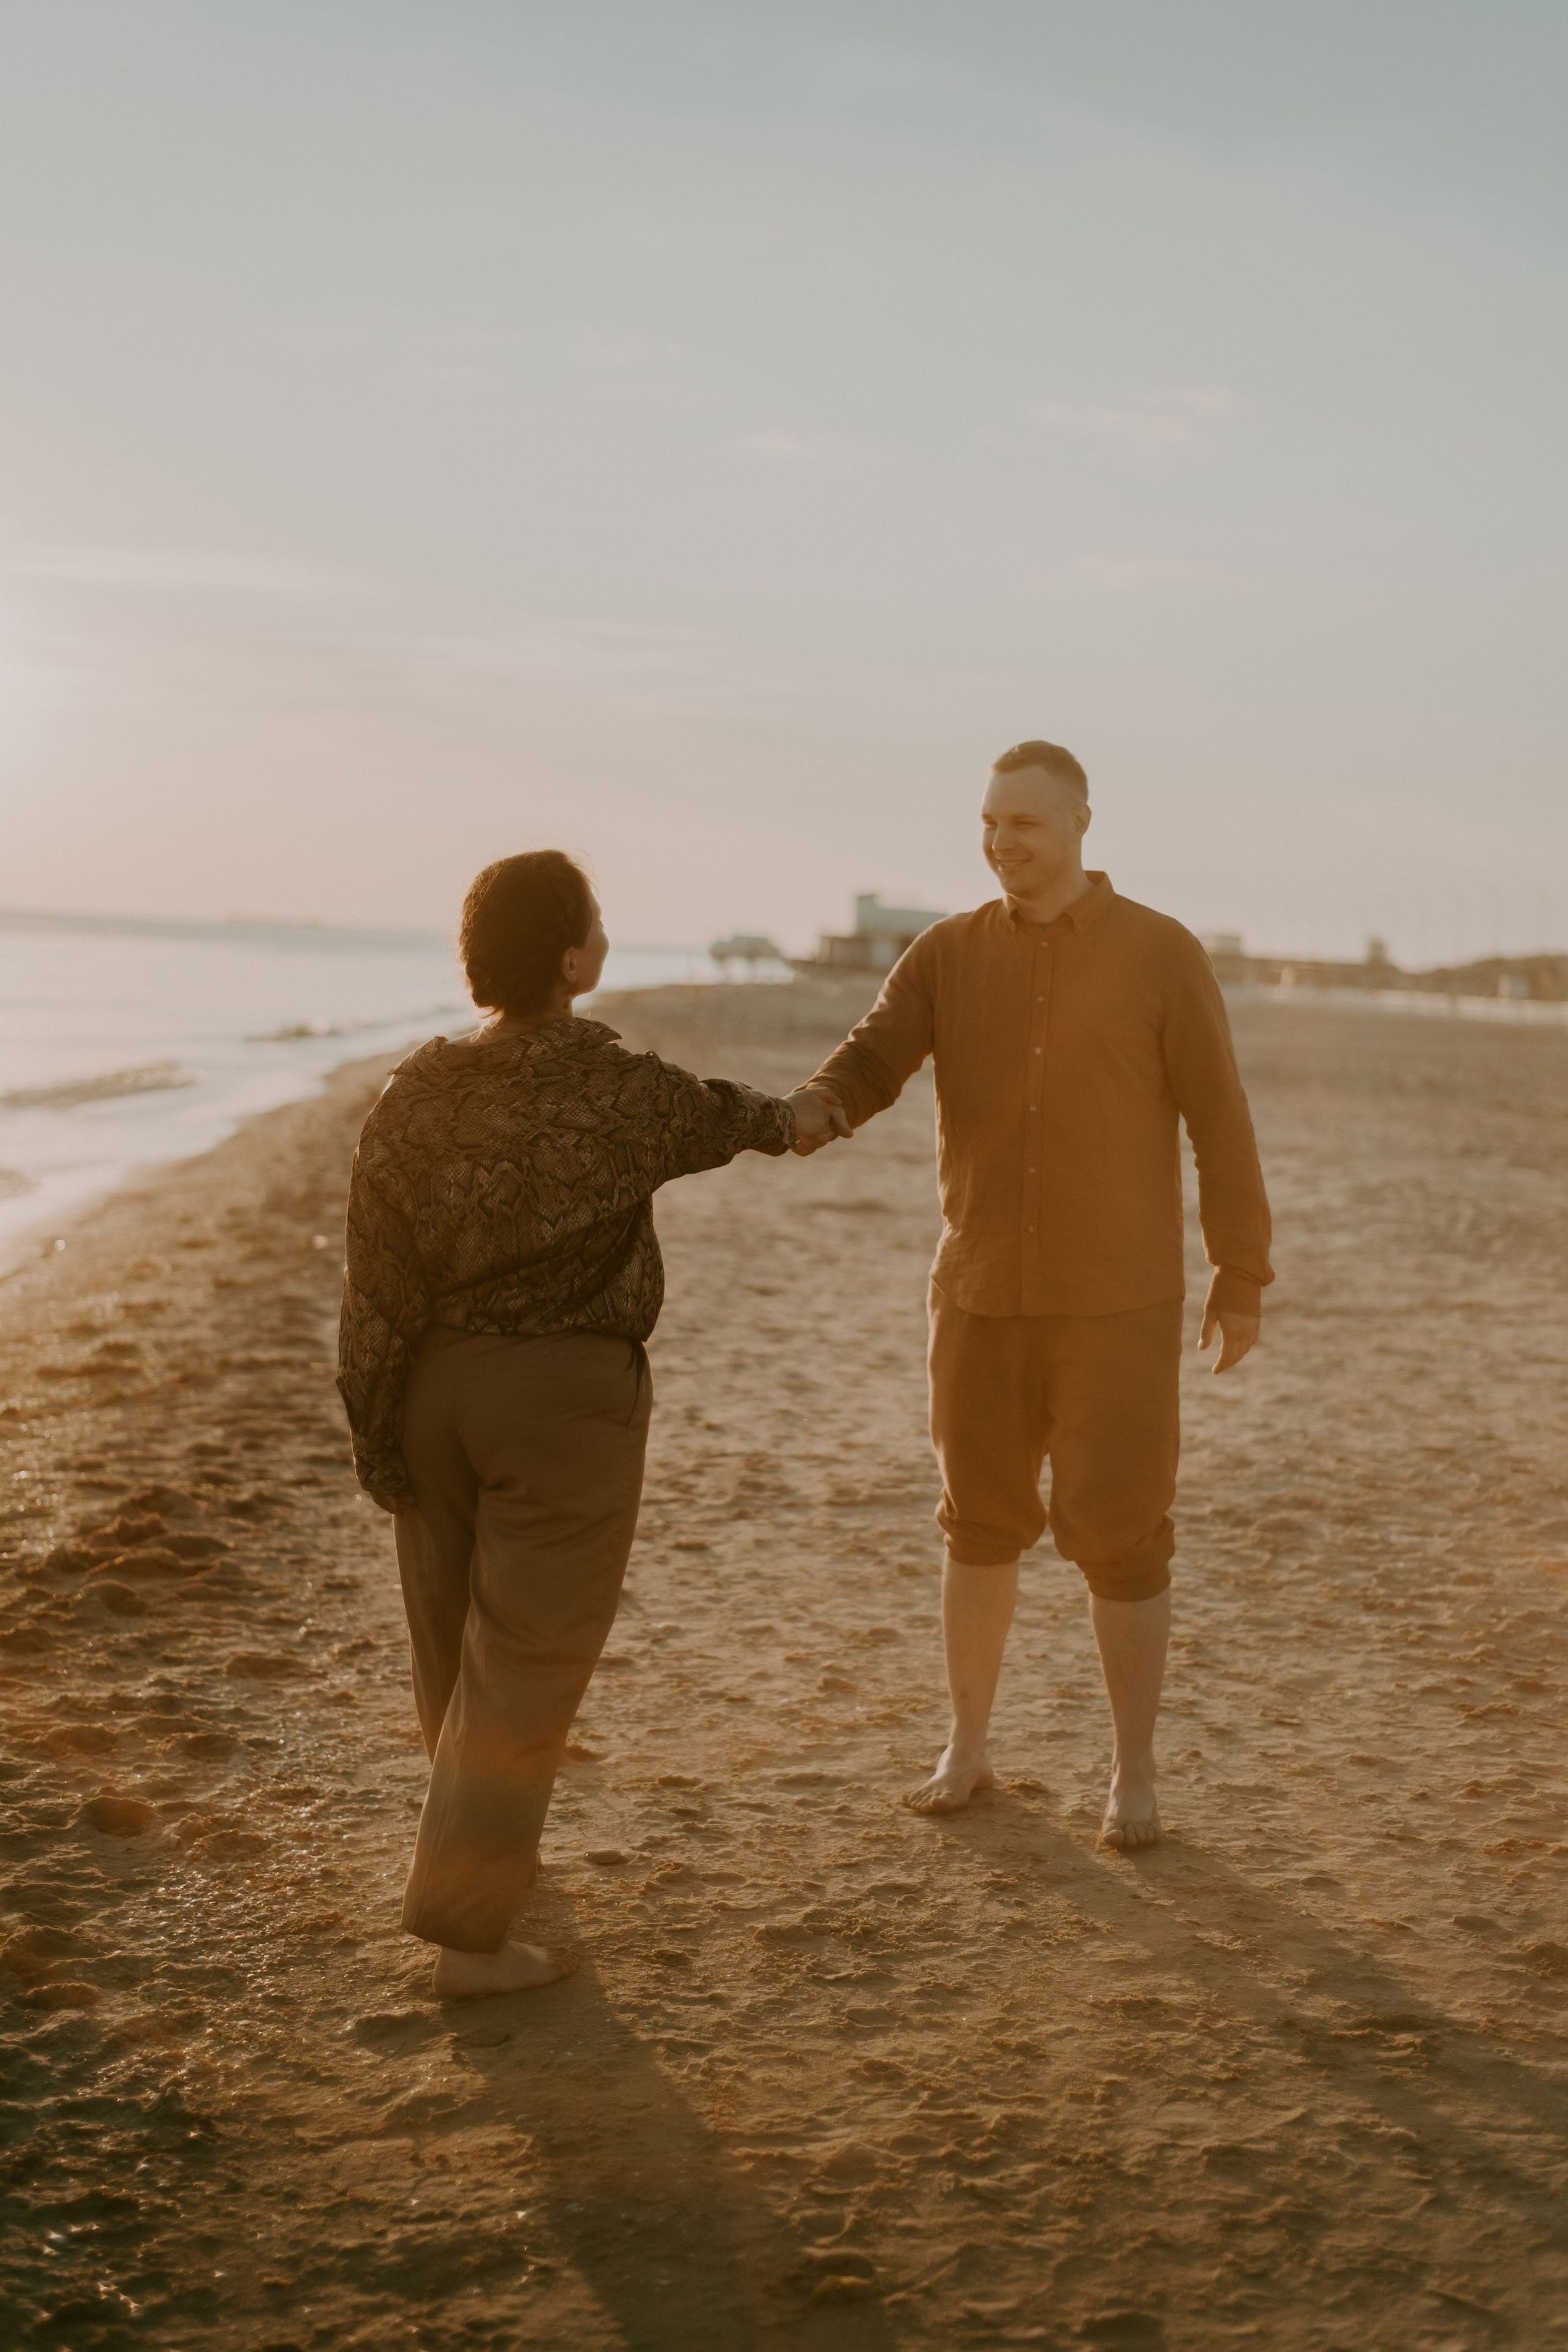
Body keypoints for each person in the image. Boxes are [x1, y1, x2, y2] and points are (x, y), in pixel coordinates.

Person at [337, 850, 846, 1996]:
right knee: (523, 1657)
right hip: (562, 1404)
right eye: (597, 919)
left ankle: (477, 1857)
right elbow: (739, 1119)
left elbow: (373, 1284)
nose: (607, 930)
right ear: (570, 957)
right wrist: (811, 1113)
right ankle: (469, 1934)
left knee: (448, 1637)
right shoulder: (609, 1081)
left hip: (431, 1391)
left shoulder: (414, 1090)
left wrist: (375, 1427)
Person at [791, 742, 1272, 1847]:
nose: (1005, 843)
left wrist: (1240, 1275)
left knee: (1126, 1535)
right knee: (978, 1529)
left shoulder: (1162, 954)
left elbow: (1219, 1118)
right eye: (992, 824)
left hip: (1121, 1305)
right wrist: (811, 1111)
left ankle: (1134, 1774)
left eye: (1028, 825)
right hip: (979, 1295)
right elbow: (871, 1059)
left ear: (1082, 825)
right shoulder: (946, 955)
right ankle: (967, 1747)